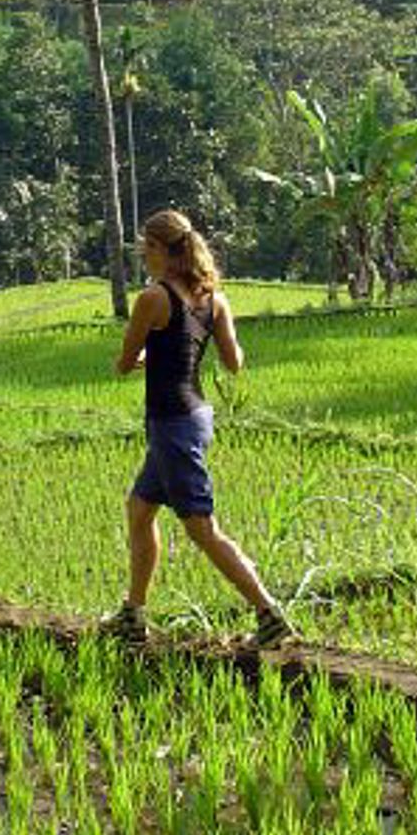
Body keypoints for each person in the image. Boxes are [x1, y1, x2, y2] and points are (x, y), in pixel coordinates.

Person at [106, 209, 292, 649]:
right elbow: (233, 362)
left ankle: (269, 614)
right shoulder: (214, 299)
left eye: (145, 248)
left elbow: (124, 363)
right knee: (139, 509)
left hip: (171, 425)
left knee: (201, 529)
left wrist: (147, 358)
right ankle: (133, 614)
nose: (143, 256)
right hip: (194, 418)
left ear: (158, 249)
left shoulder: (152, 298)